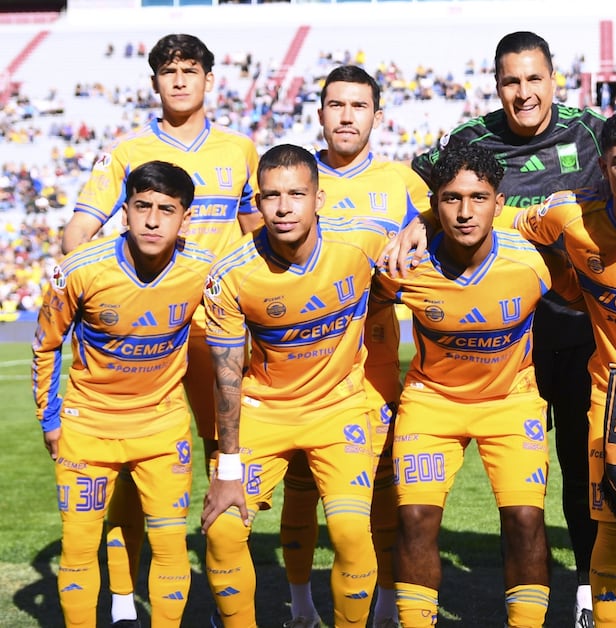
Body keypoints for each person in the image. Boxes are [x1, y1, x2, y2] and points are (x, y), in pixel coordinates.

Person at [389, 107, 616, 627]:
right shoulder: (569, 216)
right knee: (614, 529)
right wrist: (423, 222)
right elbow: (488, 213)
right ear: (603, 167)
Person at [410, 31, 606, 627]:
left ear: (554, 79)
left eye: (534, 79)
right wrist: (419, 223)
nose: (524, 93)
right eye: (511, 81)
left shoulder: (591, 132)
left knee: (581, 467)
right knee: (516, 491)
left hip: (575, 329)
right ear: (497, 85)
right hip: (503, 340)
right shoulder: (469, 138)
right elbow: (438, 203)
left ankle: (588, 592)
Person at [63, 33, 259, 626]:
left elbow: (257, 233)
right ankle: (125, 602)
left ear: (208, 80)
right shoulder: (127, 152)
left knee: (228, 458)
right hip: (153, 338)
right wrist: (94, 286)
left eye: (189, 70)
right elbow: (78, 232)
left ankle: (227, 603)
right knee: (131, 467)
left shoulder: (240, 149)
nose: (179, 80)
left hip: (219, 333)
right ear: (153, 82)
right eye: (168, 70)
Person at [380, 145, 566, 628]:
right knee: (415, 519)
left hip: (511, 401)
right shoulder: (404, 264)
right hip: (431, 402)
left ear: (498, 203)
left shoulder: (534, 260)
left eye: (478, 198)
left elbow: (584, 291)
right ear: (434, 204)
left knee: (525, 520)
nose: (465, 212)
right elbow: (358, 308)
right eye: (451, 199)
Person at [201, 145, 386, 628]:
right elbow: (226, 375)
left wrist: (419, 227)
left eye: (296, 195)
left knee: (351, 532)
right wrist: (227, 467)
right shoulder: (231, 272)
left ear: (318, 199)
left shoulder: (362, 242)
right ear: (257, 202)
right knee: (222, 529)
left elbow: (427, 235)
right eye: (271, 196)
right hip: (264, 410)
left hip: (339, 408)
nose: (283, 208)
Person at [279, 64, 427, 628]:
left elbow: (436, 238)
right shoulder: (292, 176)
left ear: (377, 116)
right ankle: (301, 607)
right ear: (320, 113)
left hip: (374, 361)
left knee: (383, 490)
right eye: (336, 105)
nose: (346, 116)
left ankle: (385, 605)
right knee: (300, 489)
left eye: (358, 106)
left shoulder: (402, 183)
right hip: (299, 367)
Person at [34, 161, 209, 627]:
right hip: (88, 428)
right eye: (142, 206)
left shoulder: (202, 269)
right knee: (78, 546)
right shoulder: (79, 270)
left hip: (161, 427)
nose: (152, 220)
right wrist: (49, 418)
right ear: (125, 211)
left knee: (170, 544)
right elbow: (46, 345)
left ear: (185, 218)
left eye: (166, 210)